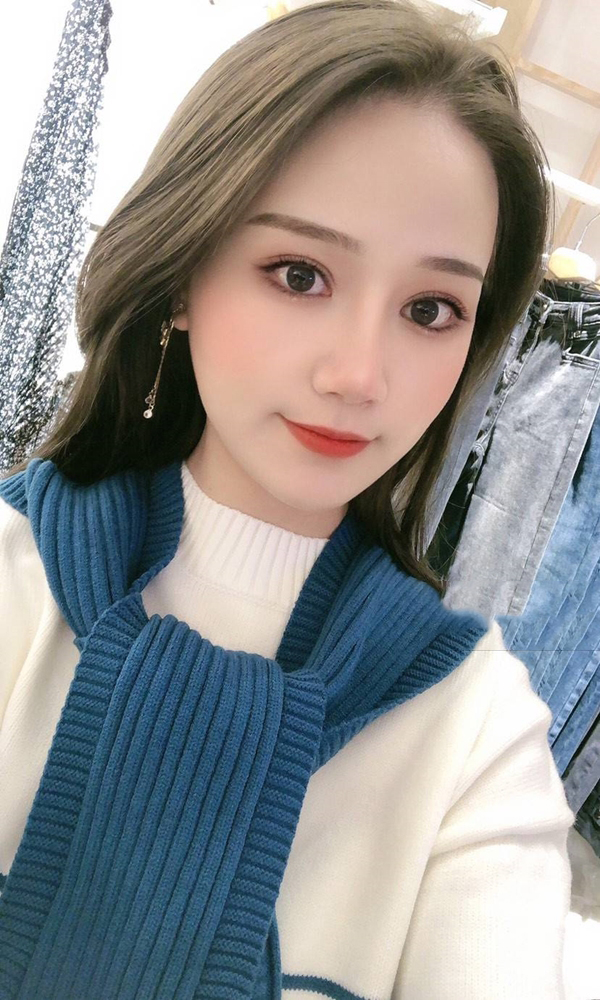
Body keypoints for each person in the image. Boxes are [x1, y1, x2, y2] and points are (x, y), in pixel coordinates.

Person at [0, 1, 575, 997]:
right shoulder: (14, 581)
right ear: (183, 273)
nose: (360, 375)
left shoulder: (475, 729)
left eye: (430, 308)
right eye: (299, 274)